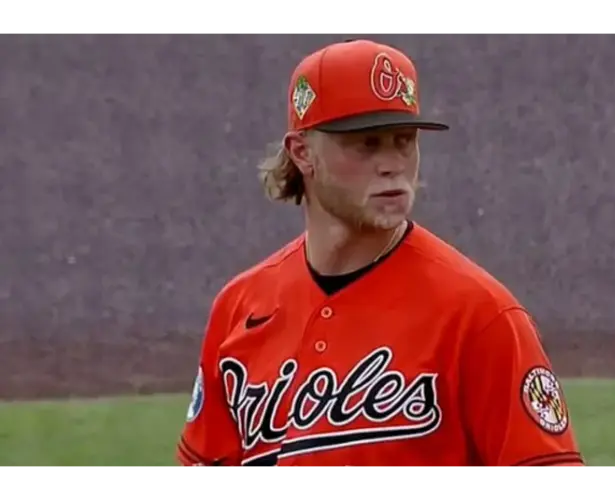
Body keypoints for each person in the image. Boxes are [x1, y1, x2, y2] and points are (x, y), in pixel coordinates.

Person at [176, 38, 584, 471]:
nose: (392, 163)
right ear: (302, 153)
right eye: (366, 144)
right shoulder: (239, 307)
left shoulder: (480, 316)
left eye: (403, 141)